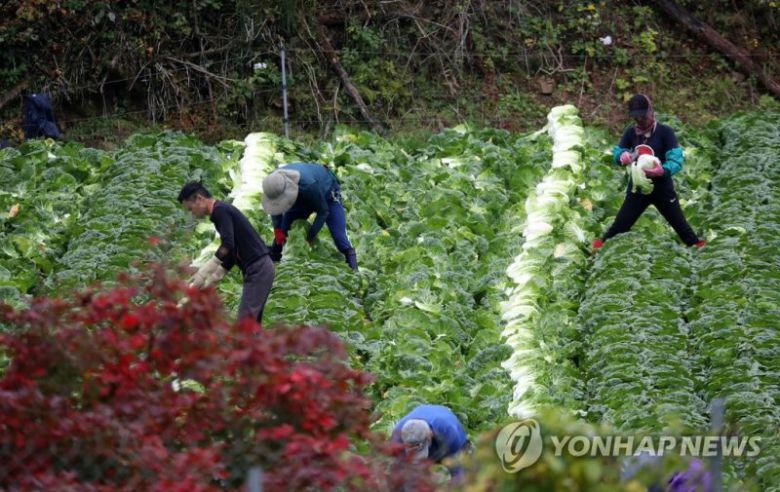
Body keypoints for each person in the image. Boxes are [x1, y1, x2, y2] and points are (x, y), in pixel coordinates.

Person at [592, 94, 705, 251]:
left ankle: (698, 247)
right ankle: (599, 249)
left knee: (680, 224)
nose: (640, 121)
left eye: (643, 116)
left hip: (662, 189)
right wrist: (621, 156)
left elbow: (676, 159)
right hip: (638, 190)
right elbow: (619, 152)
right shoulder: (631, 133)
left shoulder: (665, 132)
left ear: (651, 111)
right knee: (620, 224)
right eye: (636, 118)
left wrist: (663, 170)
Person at [178, 181, 275, 324]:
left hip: (258, 269)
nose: (192, 213)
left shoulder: (220, 211)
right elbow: (233, 248)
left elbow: (228, 244)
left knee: (245, 323)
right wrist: (216, 276)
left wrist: (204, 272)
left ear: (199, 199)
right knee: (252, 325)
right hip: (260, 269)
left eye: (190, 208)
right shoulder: (221, 211)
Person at [261, 163, 358, 270]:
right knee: (283, 232)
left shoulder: (308, 185)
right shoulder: (273, 183)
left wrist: (310, 236)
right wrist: (277, 230)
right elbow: (275, 207)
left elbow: (323, 211)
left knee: (339, 236)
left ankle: (353, 269)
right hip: (301, 197)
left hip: (327, 193)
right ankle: (274, 262)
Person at [391, 404, 470, 479]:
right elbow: (399, 470)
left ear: (430, 435)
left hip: (447, 439)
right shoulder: (397, 436)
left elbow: (458, 470)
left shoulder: (449, 430)